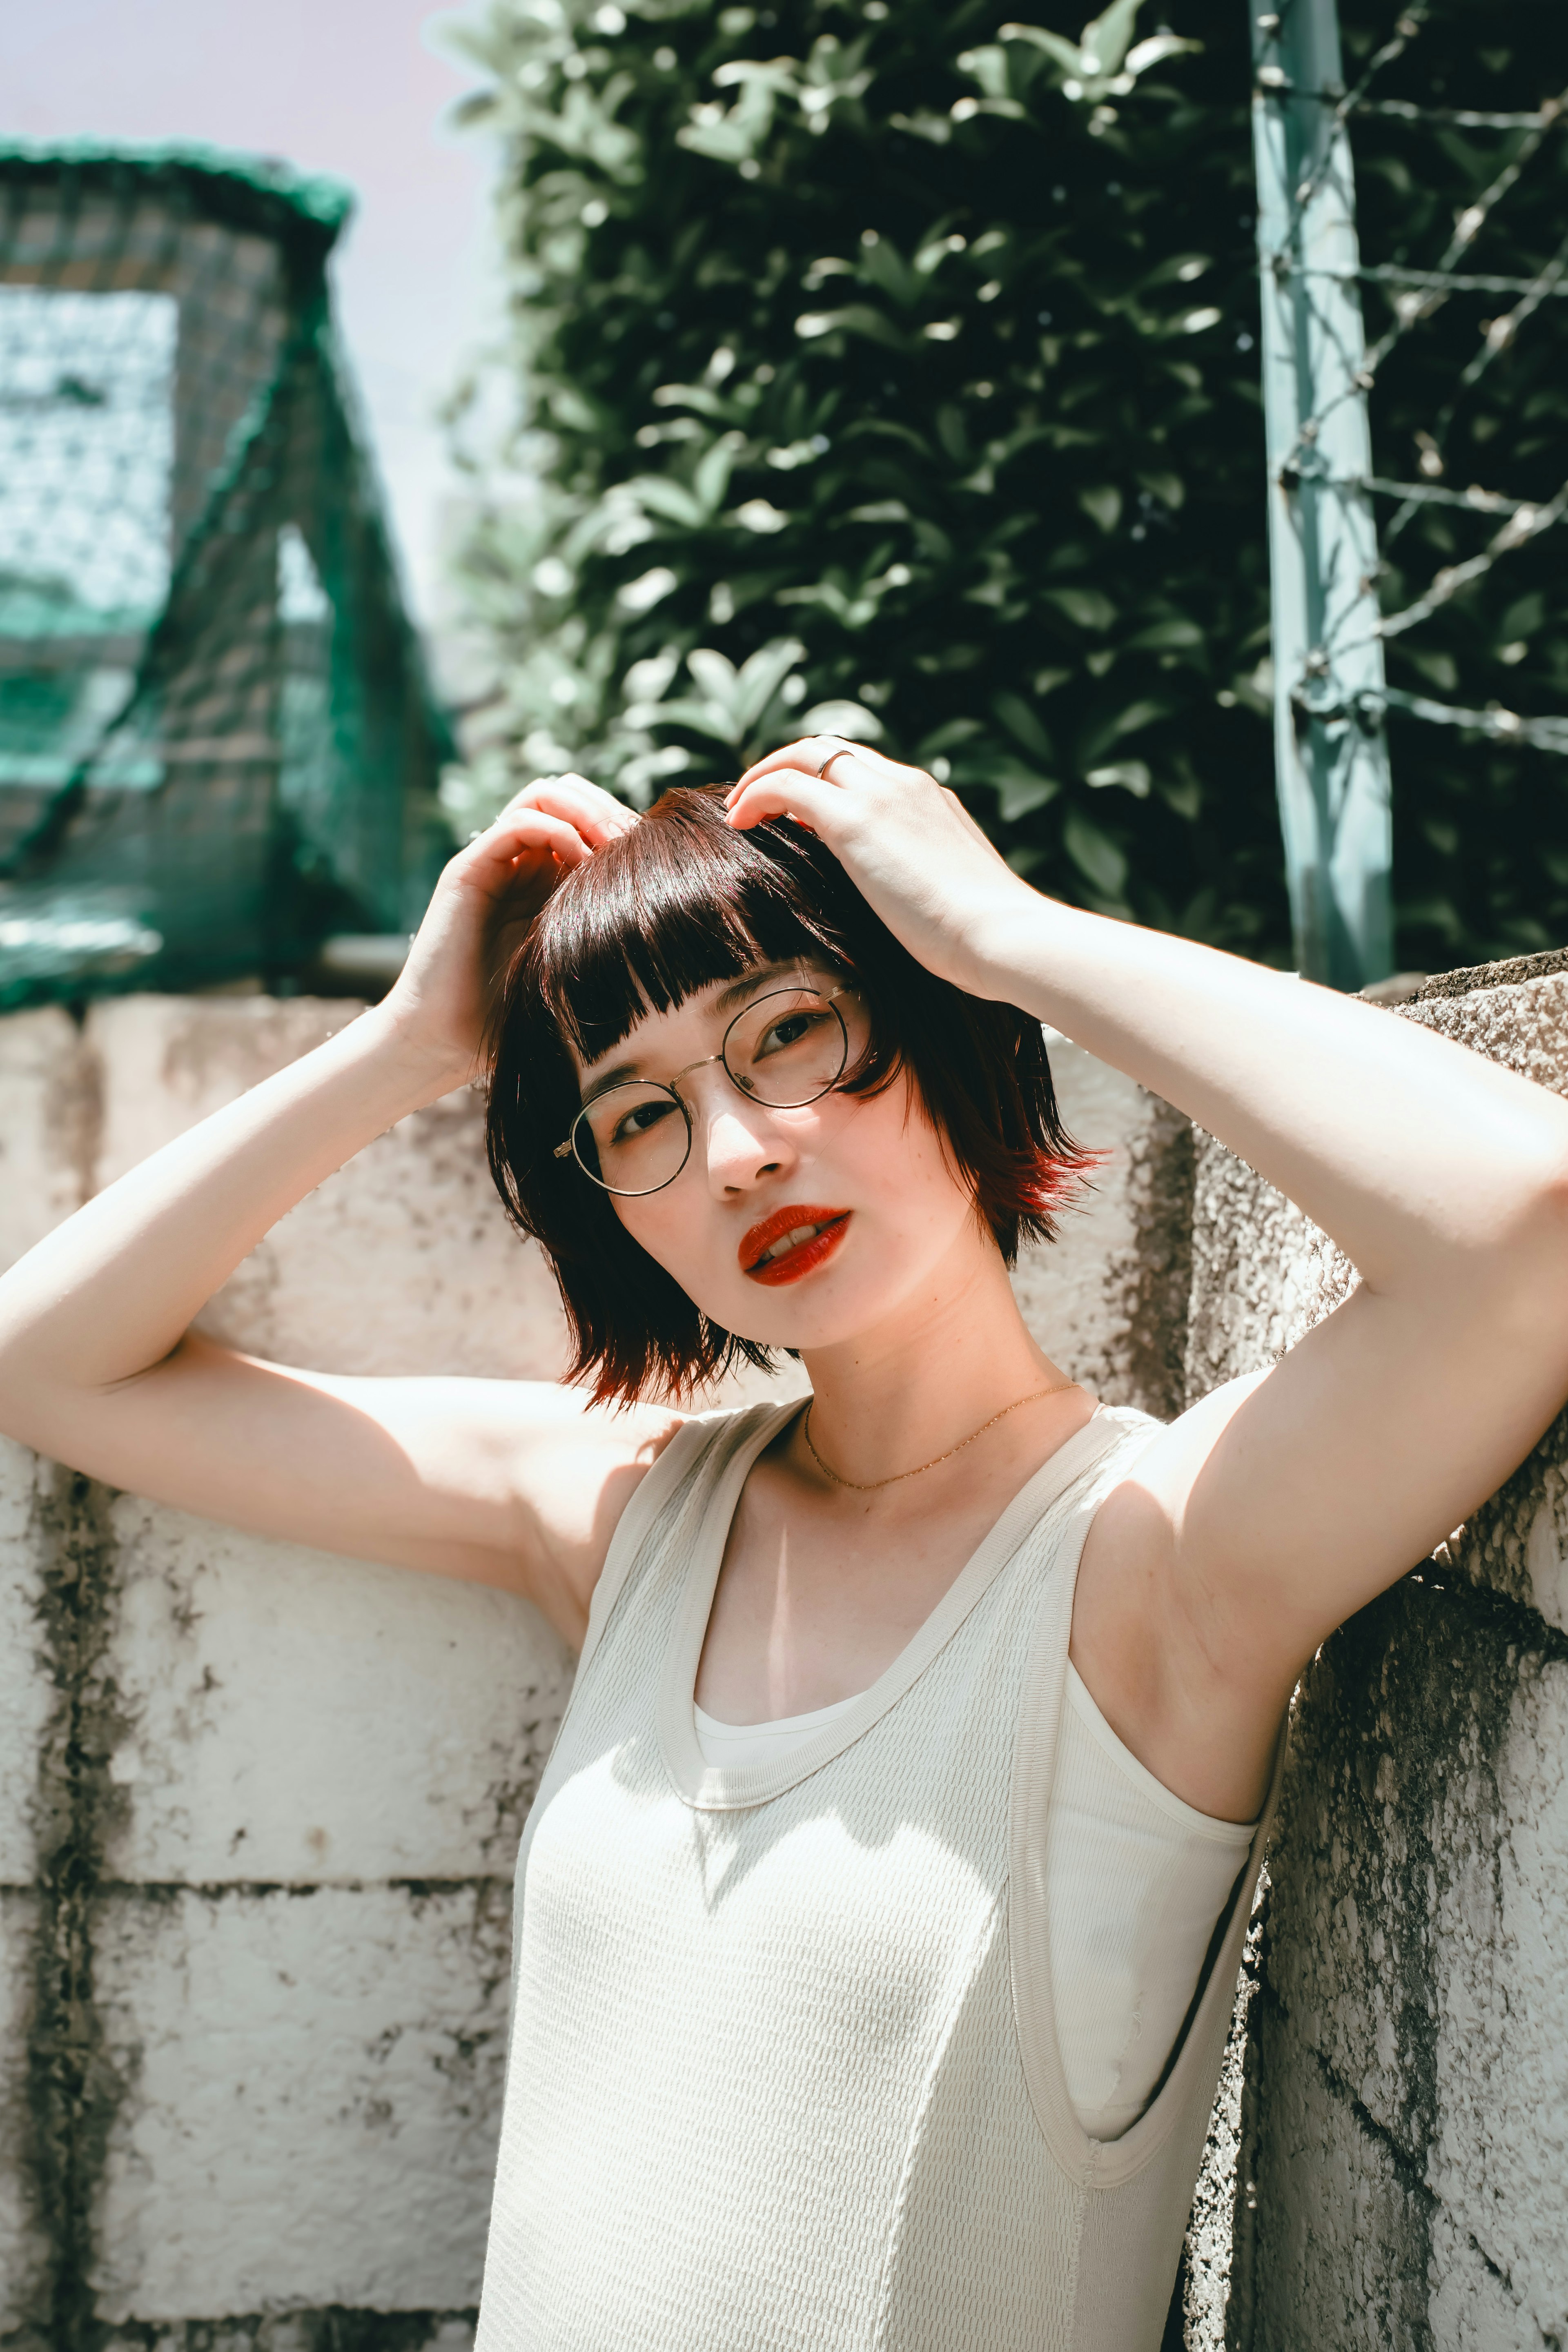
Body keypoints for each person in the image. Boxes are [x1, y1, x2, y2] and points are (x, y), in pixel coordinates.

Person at [1, 742, 1566, 2350]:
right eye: (638, 1115)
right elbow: (50, 1362)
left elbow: (1529, 1229)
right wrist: (409, 1048)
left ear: (937, 1029)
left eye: (792, 1034)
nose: (740, 1149)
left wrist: (1003, 928)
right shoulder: (625, 1517)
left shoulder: (1148, 1564)